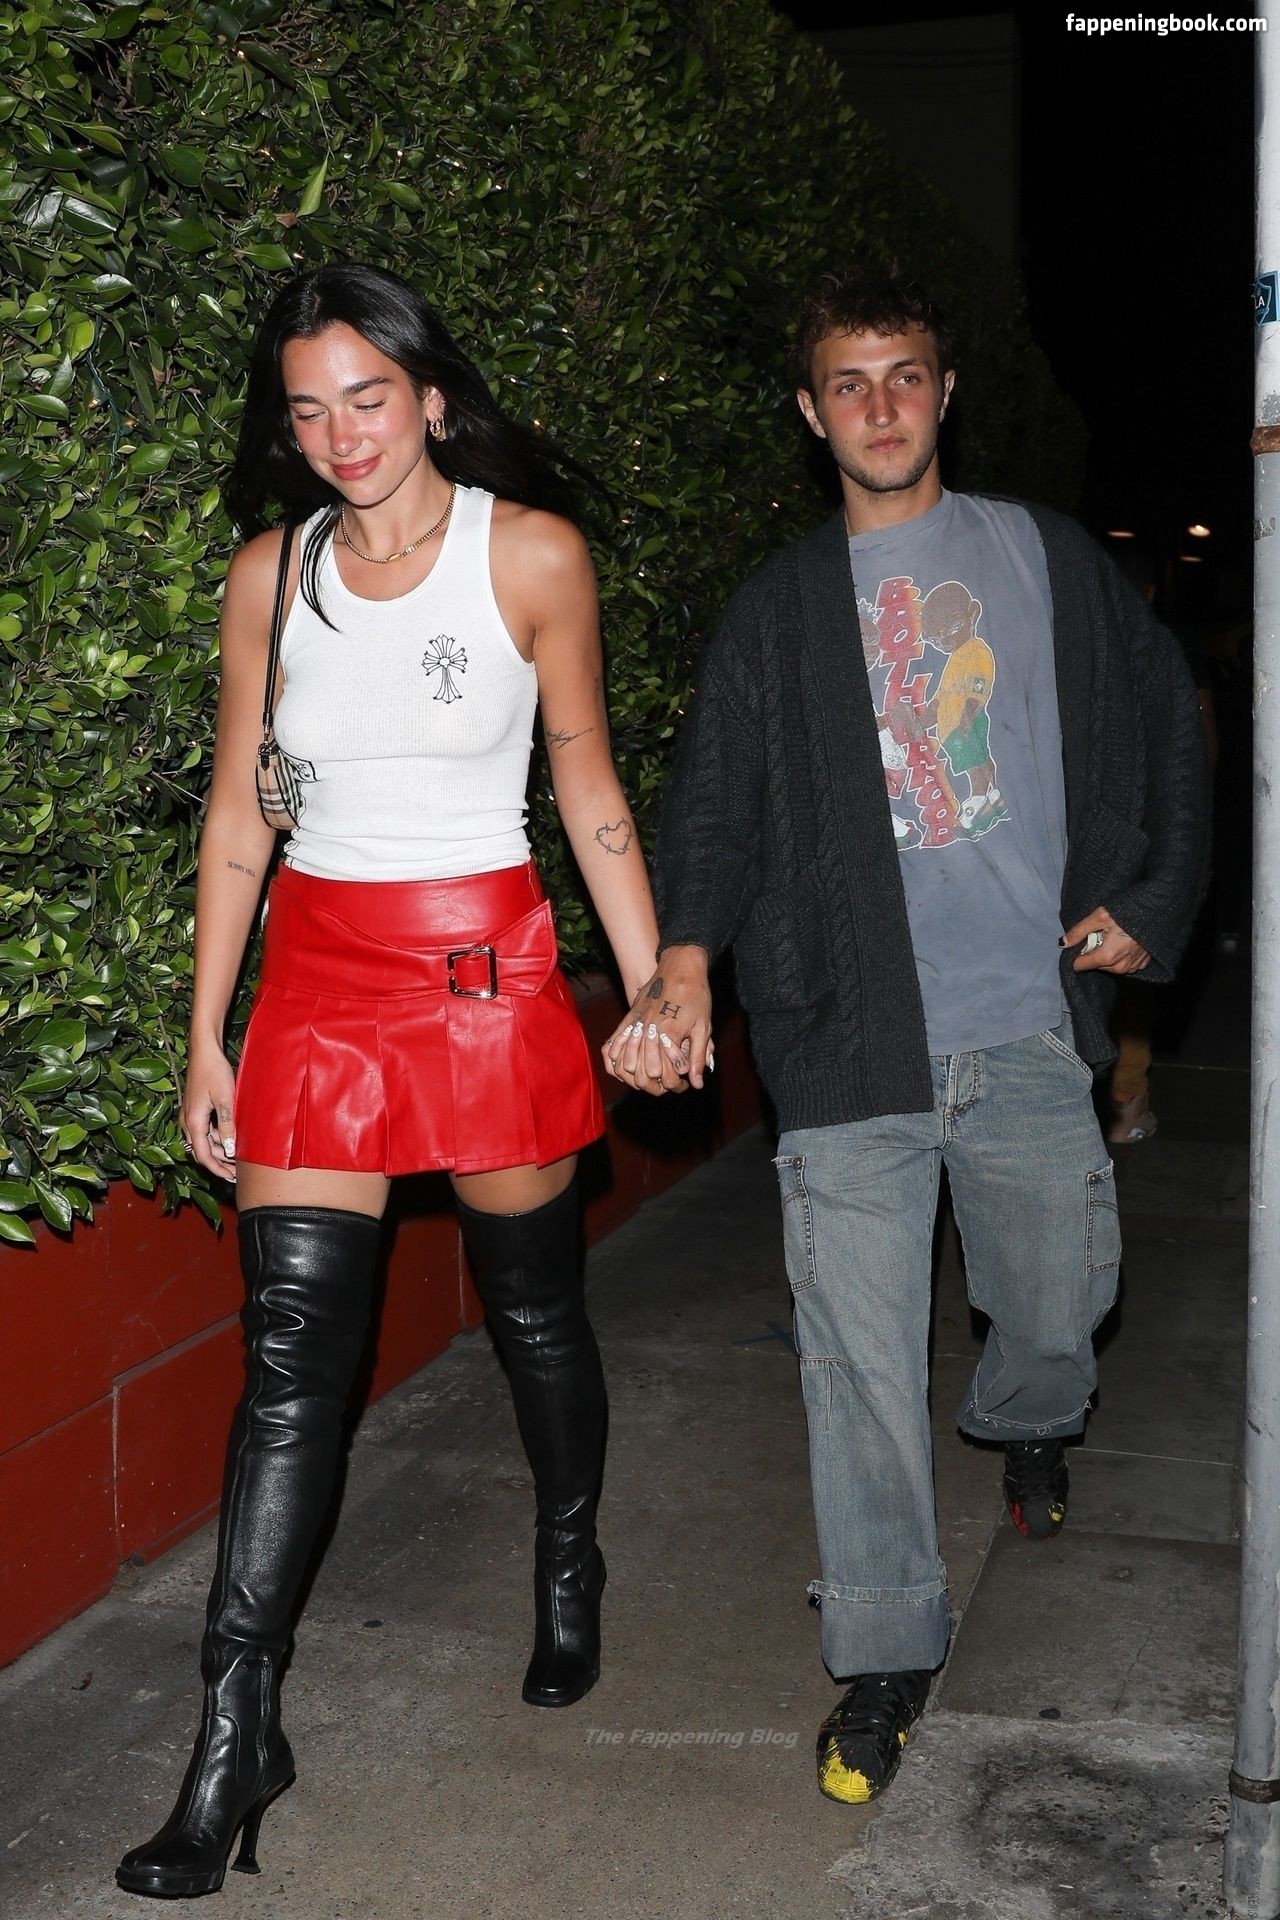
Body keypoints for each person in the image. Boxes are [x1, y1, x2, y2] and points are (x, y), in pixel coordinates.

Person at [117, 263, 683, 1901]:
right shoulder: (271, 575)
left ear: (430, 397)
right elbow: (245, 810)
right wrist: (208, 1031)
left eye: (368, 397)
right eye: (309, 409)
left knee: (533, 1309)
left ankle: (567, 1559)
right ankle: (235, 1733)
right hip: (317, 988)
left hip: (483, 977)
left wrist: (652, 981)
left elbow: (586, 784)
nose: (341, 434)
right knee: (292, 1361)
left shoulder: (531, 555)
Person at [608, 268, 1208, 1808]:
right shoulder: (779, 612)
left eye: (906, 376)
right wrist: (685, 968)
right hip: (846, 1039)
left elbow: (1172, 724)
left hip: (1028, 1025)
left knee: (1062, 1306)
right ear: (813, 415)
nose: (881, 405)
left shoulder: (1044, 559)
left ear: (945, 393)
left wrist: (1152, 902)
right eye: (849, 383)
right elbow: (715, 805)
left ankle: (1028, 1417)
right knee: (858, 1366)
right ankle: (883, 1653)